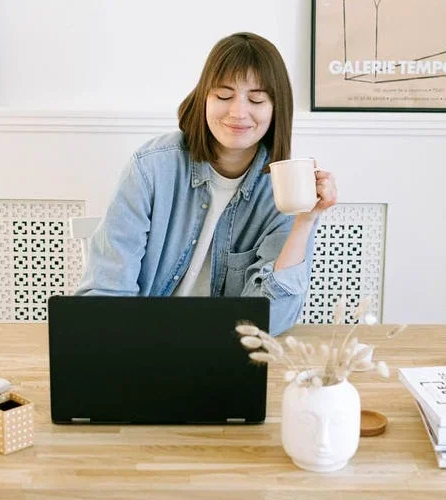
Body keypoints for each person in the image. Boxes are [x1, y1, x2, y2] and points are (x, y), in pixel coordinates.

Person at [75, 32, 337, 336]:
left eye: (256, 99)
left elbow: (270, 321)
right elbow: (107, 294)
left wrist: (304, 220)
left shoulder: (287, 188)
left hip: (224, 351)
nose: (238, 112)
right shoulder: (152, 167)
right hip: (142, 340)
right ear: (204, 98)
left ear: (276, 109)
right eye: (223, 96)